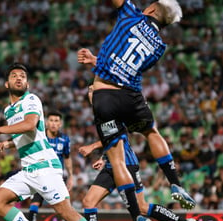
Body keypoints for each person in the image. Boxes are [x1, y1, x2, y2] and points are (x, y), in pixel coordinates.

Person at [0, 63, 108, 221]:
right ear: (6, 83)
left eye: (22, 76)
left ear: (27, 83)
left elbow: (30, 124)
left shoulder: (31, 99)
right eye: (14, 76)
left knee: (65, 211)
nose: (19, 78)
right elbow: (26, 134)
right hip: (28, 169)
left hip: (46, 167)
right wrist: (8, 143)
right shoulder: (8, 110)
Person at [76, 0, 196, 210]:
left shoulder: (132, 14)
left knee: (117, 159)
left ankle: (137, 212)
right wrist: (96, 60)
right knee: (151, 132)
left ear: (151, 9)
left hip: (104, 95)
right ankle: (175, 183)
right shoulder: (159, 46)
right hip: (131, 96)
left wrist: (98, 62)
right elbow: (127, 67)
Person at [66, 137, 197, 221]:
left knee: (142, 207)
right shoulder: (100, 116)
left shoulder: (111, 113)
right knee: (88, 202)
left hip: (126, 164)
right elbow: (110, 141)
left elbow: (117, 136)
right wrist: (104, 157)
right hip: (111, 165)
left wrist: (92, 146)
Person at [22, 110, 77, 221]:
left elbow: (67, 157)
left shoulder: (64, 139)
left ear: (60, 124)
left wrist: (71, 176)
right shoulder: (40, 137)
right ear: (46, 122)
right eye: (51, 120)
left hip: (57, 178)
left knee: (66, 209)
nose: (53, 123)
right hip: (40, 176)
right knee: (33, 207)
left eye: (56, 121)